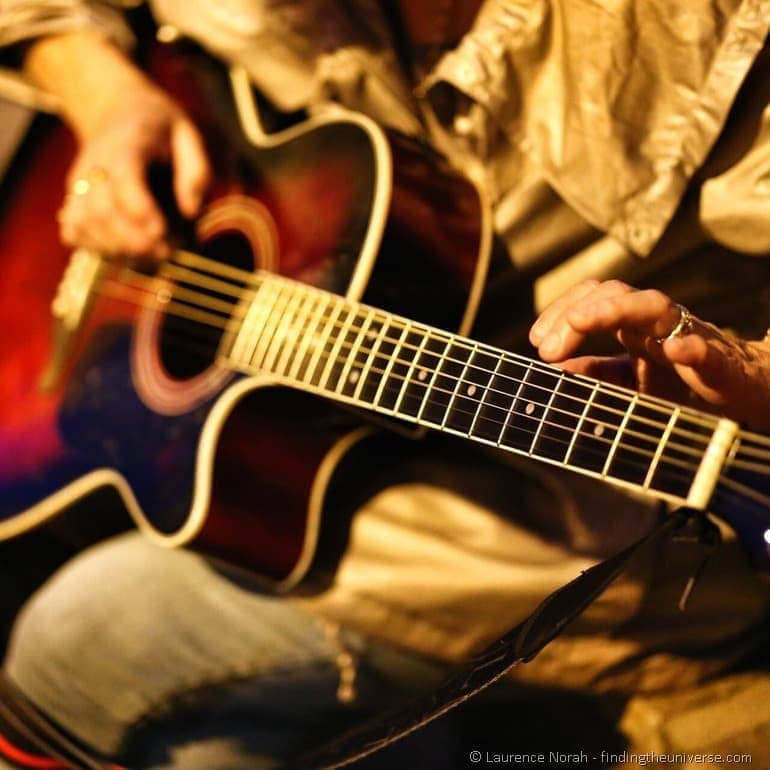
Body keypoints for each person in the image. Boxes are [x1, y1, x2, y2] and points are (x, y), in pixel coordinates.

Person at [3, 1, 770, 768]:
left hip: (557, 542)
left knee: (78, 646)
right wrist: (99, 91)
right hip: (293, 461)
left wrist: (755, 373)